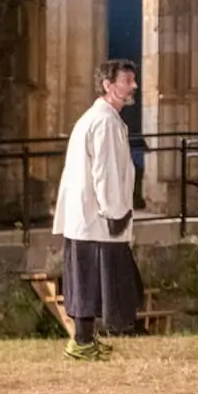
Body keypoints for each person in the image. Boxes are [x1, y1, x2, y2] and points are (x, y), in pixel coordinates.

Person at [52, 58, 146, 361]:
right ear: (108, 85)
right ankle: (82, 342)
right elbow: (105, 172)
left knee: (87, 280)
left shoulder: (99, 118)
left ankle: (85, 340)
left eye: (133, 80)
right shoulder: (104, 121)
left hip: (88, 218)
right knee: (92, 280)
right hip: (97, 218)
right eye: (127, 81)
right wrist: (115, 211)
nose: (133, 86)